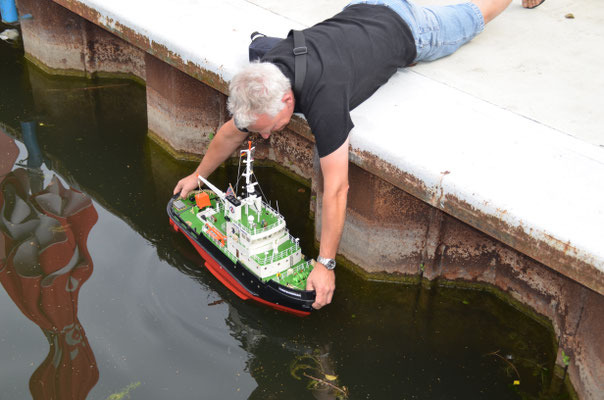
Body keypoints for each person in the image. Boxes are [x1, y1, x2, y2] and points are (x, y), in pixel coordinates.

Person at [173, 0, 545, 310]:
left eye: (268, 126)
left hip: (408, 27)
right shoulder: (268, 70)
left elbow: (337, 188)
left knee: (472, 18)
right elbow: (229, 132)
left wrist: (325, 264)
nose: (266, 134)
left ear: (288, 98)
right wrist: (197, 176)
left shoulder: (325, 98)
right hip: (363, 9)